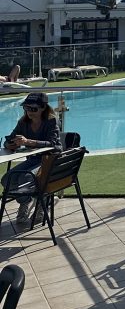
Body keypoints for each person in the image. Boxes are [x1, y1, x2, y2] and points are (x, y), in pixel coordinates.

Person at [2, 91, 62, 223]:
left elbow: (53, 144)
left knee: (25, 178)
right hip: (33, 159)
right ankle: (25, 201)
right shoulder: (23, 122)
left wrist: (29, 142)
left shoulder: (51, 121)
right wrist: (9, 144)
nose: (29, 111)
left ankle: (43, 202)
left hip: (49, 160)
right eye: (26, 108)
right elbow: (9, 138)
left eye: (33, 109)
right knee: (7, 180)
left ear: (43, 108)